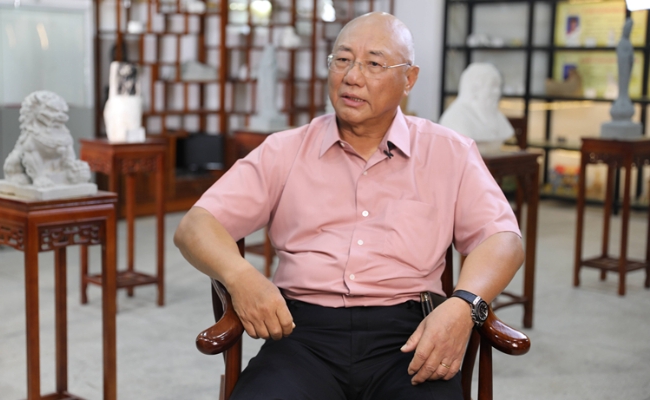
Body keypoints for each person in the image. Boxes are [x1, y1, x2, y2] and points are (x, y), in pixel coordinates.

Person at [174, 12, 524, 400]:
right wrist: (241, 277)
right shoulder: (285, 150)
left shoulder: (449, 152)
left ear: (409, 79)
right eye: (342, 60)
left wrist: (465, 304)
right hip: (301, 334)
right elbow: (195, 226)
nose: (352, 76)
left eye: (374, 64)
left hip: (411, 335)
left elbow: (503, 239)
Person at [438, 63, 514, 154]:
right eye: (493, 86)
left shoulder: (497, 116)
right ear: (475, 88)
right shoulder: (455, 117)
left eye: (499, 86)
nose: (497, 92)